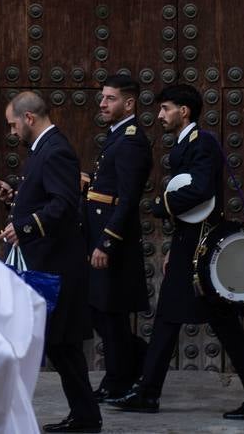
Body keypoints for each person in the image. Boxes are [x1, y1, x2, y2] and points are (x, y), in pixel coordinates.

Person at [113, 84, 244, 420]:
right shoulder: (186, 143)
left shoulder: (201, 143)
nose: (160, 116)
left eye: (165, 109)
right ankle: (148, 392)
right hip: (189, 243)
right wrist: (176, 244)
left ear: (183, 111)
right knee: (170, 317)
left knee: (217, 320)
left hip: (202, 246)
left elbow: (201, 191)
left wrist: (163, 206)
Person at [0, 91, 102, 434]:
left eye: (13, 125)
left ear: (28, 118)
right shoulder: (43, 149)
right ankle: (84, 415)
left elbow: (64, 205)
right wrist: (15, 199)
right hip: (49, 260)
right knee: (61, 344)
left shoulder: (55, 150)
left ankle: (86, 417)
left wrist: (24, 226)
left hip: (57, 264)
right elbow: (46, 197)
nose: (12, 133)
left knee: (62, 343)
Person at [86, 74, 152, 401]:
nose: (102, 103)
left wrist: (107, 241)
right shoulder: (116, 137)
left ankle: (118, 378)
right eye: (102, 97)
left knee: (110, 312)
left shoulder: (131, 140)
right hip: (101, 233)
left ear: (129, 103)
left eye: (110, 98)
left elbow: (127, 198)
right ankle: (135, 363)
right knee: (102, 310)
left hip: (114, 241)